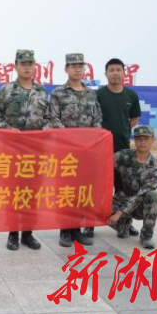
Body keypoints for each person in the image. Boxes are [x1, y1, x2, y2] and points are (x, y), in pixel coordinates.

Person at [0, 49, 50, 251]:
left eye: (30, 63)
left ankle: (28, 233)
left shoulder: (42, 92)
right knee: (13, 193)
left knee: (32, 193)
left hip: (35, 151)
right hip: (12, 151)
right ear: (16, 66)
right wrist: (7, 129)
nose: (27, 67)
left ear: (34, 66)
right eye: (23, 63)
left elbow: (49, 117)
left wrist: (45, 129)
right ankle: (13, 234)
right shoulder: (6, 90)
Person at [84, 58, 142, 238]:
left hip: (123, 150)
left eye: (118, 70)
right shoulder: (98, 95)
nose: (115, 73)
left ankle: (124, 221)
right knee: (97, 187)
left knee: (123, 187)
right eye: (112, 70)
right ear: (106, 74)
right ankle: (90, 224)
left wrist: (122, 130)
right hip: (100, 150)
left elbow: (134, 119)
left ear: (124, 73)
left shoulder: (131, 95)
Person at [48, 53, 101, 247]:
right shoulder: (58, 93)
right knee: (66, 191)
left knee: (82, 191)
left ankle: (77, 230)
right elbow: (53, 118)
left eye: (81, 66)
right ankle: (65, 231)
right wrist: (71, 138)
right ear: (66, 69)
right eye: (73, 66)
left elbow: (97, 119)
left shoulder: (91, 94)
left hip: (87, 152)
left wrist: (91, 139)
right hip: (66, 151)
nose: (78, 69)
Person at [107, 125, 157, 249]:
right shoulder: (123, 155)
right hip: (122, 199)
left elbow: (142, 194)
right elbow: (103, 163)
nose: (142, 142)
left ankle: (146, 236)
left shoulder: (156, 166)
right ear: (135, 140)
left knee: (154, 196)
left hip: (140, 205)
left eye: (146, 139)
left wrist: (120, 213)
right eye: (139, 139)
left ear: (152, 140)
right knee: (103, 213)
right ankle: (124, 224)